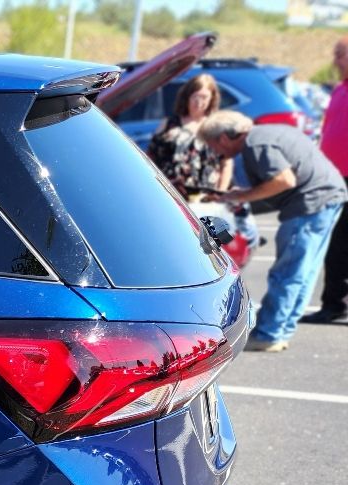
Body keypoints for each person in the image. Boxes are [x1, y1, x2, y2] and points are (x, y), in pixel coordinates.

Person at [201, 110, 347, 352]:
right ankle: (281, 328)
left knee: (288, 271)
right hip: (329, 196)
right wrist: (241, 195)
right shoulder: (268, 133)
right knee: (303, 271)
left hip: (309, 203)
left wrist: (243, 195)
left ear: (224, 138)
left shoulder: (255, 145)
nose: (216, 152)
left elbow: (283, 180)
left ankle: (269, 333)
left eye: (213, 145)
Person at [306, 35, 348, 324]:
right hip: (336, 178)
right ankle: (334, 303)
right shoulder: (339, 90)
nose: (335, 60)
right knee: (336, 245)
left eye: (340, 54)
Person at [148, 74, 232, 199]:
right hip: (169, 196)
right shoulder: (169, 124)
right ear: (187, 97)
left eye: (204, 97)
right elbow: (150, 156)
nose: (199, 102)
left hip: (204, 199)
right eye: (195, 96)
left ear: (212, 99)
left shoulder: (216, 127)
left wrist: (220, 193)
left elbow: (226, 164)